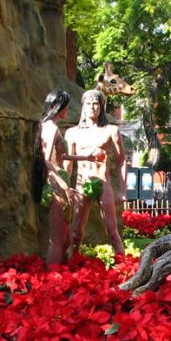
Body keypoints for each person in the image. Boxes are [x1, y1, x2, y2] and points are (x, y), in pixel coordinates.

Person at [35, 89, 105, 266]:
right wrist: (63, 185)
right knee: (57, 240)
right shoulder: (50, 128)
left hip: (61, 181)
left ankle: (63, 276)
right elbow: (46, 159)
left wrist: (85, 157)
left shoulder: (52, 127)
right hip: (56, 184)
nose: (68, 110)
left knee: (66, 239)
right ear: (59, 107)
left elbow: (61, 156)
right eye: (66, 107)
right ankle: (52, 281)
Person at [65, 89, 127, 257]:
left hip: (103, 182)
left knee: (113, 231)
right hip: (81, 183)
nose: (92, 107)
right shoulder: (72, 133)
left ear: (101, 107)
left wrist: (122, 190)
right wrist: (64, 187)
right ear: (83, 106)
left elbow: (122, 160)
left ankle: (125, 270)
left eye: (96, 104)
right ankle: (72, 268)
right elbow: (68, 164)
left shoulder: (111, 130)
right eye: (88, 103)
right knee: (76, 233)